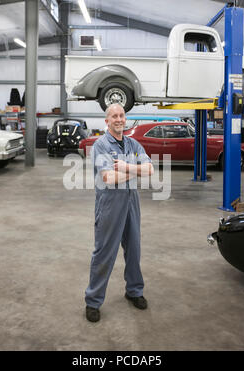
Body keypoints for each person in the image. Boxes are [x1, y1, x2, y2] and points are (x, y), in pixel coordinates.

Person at [85, 103, 154, 322]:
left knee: (134, 249)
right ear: (107, 121)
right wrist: (136, 171)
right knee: (104, 252)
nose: (119, 119)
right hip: (109, 203)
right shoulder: (101, 145)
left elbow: (150, 170)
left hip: (131, 201)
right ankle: (93, 301)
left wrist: (125, 167)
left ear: (125, 118)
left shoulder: (134, 143)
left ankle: (134, 291)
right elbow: (108, 178)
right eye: (114, 116)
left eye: (121, 115)